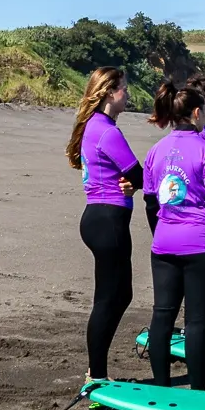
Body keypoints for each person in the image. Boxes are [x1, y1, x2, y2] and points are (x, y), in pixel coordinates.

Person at [142, 80, 205, 389]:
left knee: (162, 317)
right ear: (197, 113)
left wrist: (162, 231)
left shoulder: (155, 151)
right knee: (196, 321)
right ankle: (197, 389)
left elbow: (150, 203)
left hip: (163, 244)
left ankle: (161, 387)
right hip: (200, 245)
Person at [65, 67, 141, 384]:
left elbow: (131, 177)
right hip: (107, 220)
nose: (128, 94)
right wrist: (134, 183)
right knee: (109, 299)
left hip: (101, 218)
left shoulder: (96, 126)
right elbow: (138, 174)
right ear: (111, 92)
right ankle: (96, 374)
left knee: (119, 295)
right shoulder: (106, 131)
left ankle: (96, 370)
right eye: (124, 88)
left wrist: (131, 183)